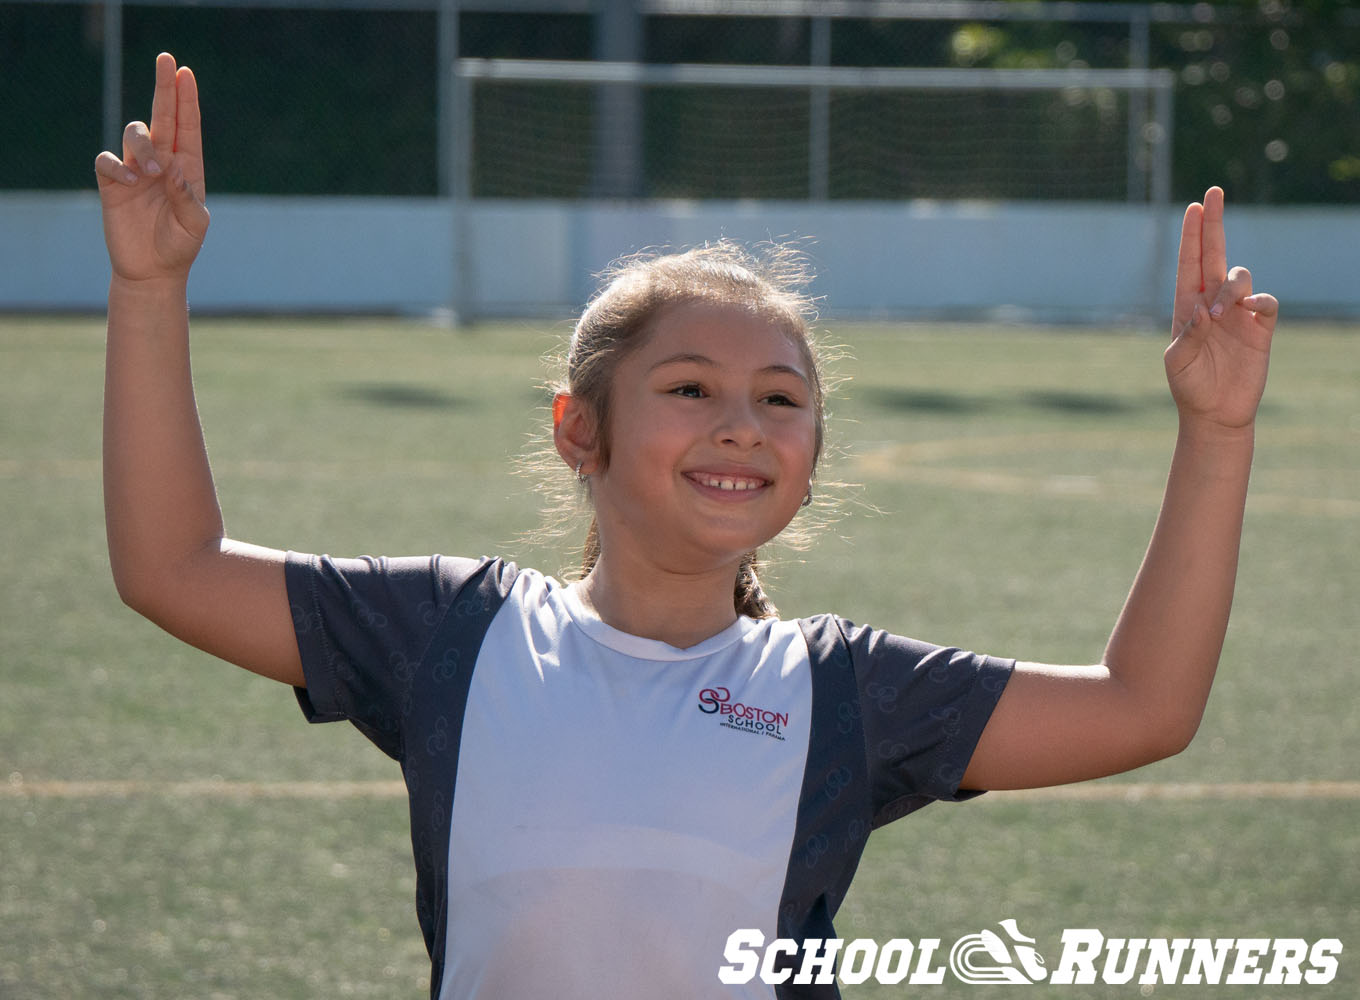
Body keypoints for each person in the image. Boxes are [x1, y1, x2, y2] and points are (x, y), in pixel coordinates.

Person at [96, 53, 1279, 1000]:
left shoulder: (843, 693)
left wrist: (1216, 433)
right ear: (579, 430)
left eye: (780, 400)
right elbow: (171, 567)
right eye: (689, 388)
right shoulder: (449, 634)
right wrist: (150, 291)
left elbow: (1142, 705)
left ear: (811, 464)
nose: (741, 426)